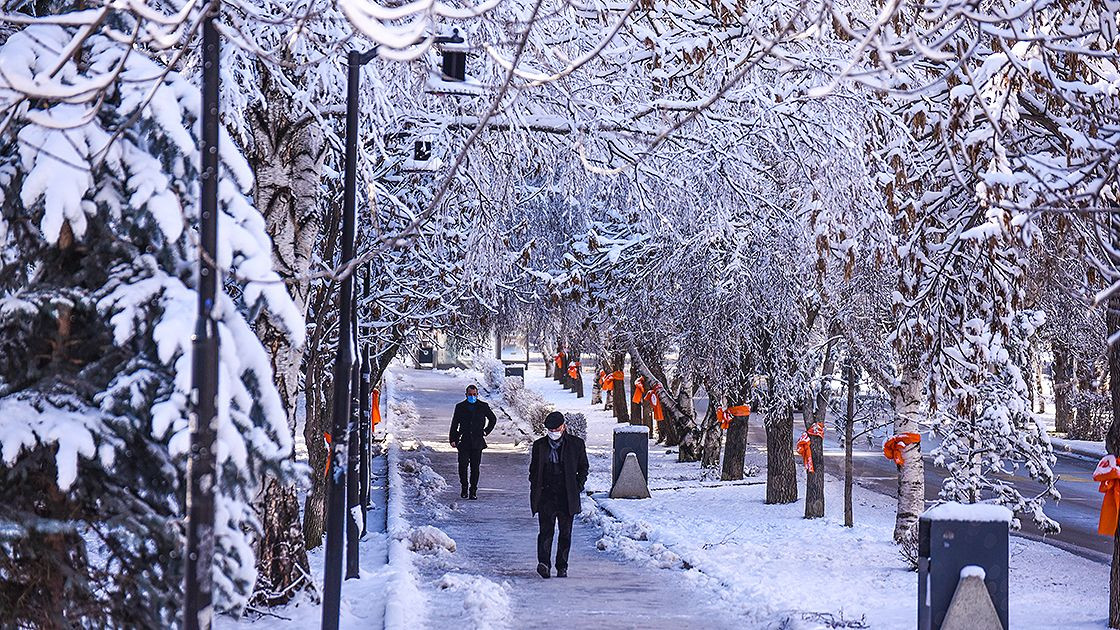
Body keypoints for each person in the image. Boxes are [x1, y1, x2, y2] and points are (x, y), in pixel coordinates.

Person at [529, 411, 588, 579]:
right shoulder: (540, 445)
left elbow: (583, 467)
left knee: (565, 533)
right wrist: (535, 484)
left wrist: (577, 486)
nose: (553, 432)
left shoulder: (576, 444)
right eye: (550, 429)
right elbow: (534, 469)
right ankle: (544, 564)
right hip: (546, 494)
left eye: (556, 428)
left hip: (566, 495)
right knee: (546, 531)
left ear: (564, 427)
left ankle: (562, 566)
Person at [449, 384, 497, 499]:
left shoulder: (483, 406)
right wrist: (453, 439)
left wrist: (486, 431)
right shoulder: (460, 407)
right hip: (463, 440)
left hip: (477, 442)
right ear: (466, 395)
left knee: (475, 468)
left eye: (474, 394)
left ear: (477, 394)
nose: (472, 396)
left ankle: (473, 490)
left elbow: (493, 419)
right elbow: (455, 423)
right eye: (470, 394)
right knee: (462, 466)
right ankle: (464, 488)